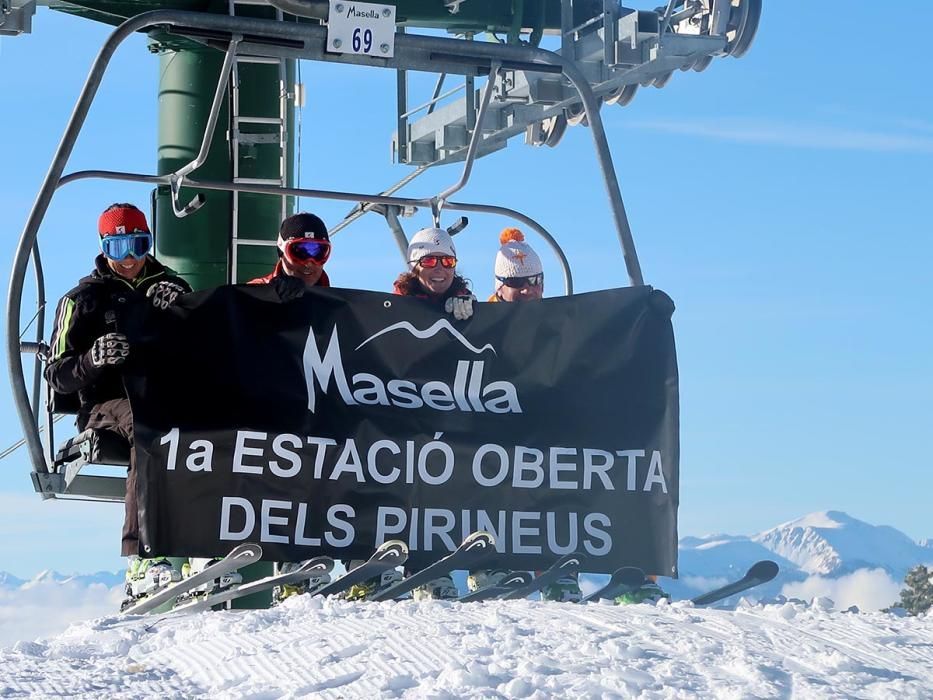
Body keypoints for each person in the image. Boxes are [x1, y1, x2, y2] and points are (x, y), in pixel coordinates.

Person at [45, 203, 191, 604]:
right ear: (104, 248)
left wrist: (182, 309)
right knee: (152, 427)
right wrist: (93, 360)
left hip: (166, 394)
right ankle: (145, 555)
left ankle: (204, 542)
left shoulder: (170, 288)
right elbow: (57, 374)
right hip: (107, 404)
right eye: (120, 246)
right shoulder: (85, 300)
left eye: (138, 245)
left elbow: (204, 346)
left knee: (214, 429)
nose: (129, 258)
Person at [393, 227, 474, 320]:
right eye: (429, 261)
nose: (439, 268)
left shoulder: (466, 306)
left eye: (448, 261)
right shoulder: (396, 309)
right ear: (414, 268)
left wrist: (475, 310)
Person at [248, 212, 332, 300]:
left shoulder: (337, 304)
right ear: (281, 252)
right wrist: (271, 296)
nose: (308, 263)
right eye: (299, 252)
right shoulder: (255, 293)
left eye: (317, 252)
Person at [488, 228, 545, 302]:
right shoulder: (484, 313)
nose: (527, 290)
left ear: (542, 286)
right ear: (499, 289)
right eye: (516, 282)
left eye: (534, 280)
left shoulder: (559, 313)